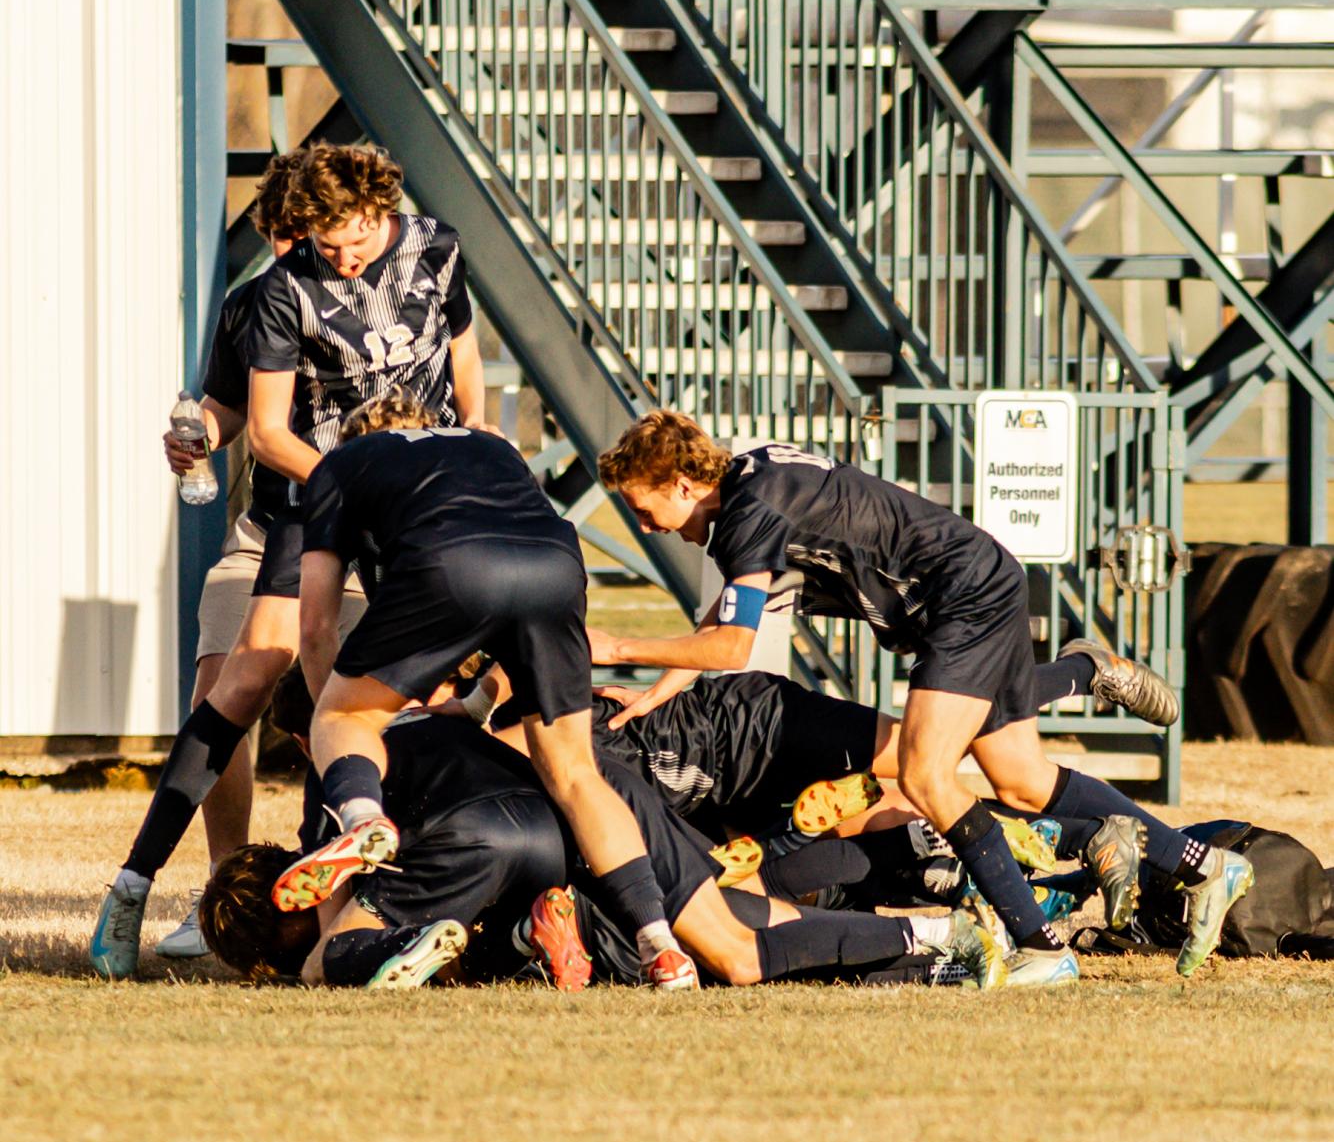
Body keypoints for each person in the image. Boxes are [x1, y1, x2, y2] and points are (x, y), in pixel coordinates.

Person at [595, 411, 1254, 983]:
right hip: (973, 584)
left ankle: (1038, 946)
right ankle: (1201, 864)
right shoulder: (750, 480)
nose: (647, 526)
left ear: (683, 483)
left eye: (643, 508)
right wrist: (659, 689)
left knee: (924, 772)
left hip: (960, 599)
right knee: (1022, 779)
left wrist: (618, 647)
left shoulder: (747, 512)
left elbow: (733, 647)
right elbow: (729, 614)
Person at [90, 142, 483, 979]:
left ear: (385, 208)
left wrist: (476, 446)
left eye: (355, 240)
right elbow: (261, 428)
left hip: (420, 502)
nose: (340, 259)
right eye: (321, 242)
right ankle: (149, 885)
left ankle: (461, 886)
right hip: (314, 508)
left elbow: (464, 356)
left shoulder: (437, 248)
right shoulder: (272, 294)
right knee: (240, 680)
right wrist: (208, 439)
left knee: (452, 687)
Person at [275, 388, 702, 989]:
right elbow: (510, 598)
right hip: (555, 562)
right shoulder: (487, 445)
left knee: (341, 720)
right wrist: (475, 703)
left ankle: (363, 820)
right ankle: (658, 942)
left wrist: (340, 729)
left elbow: (316, 625)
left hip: (450, 562)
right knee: (576, 772)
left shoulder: (340, 467)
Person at [199, 704, 1003, 992]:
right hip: (596, 807)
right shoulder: (416, 717)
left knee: (330, 962)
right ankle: (943, 947)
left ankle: (936, 939)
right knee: (741, 935)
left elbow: (319, 914)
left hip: (474, 840)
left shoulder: (335, 781)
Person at [153, 156, 369, 959]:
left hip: (353, 532)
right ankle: (226, 886)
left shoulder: (368, 300)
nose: (290, 251)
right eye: (277, 236)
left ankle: (342, 884)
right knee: (218, 686)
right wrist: (197, 436)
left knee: (339, 696)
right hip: (266, 531)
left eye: (299, 235)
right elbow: (226, 409)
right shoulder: (252, 305)